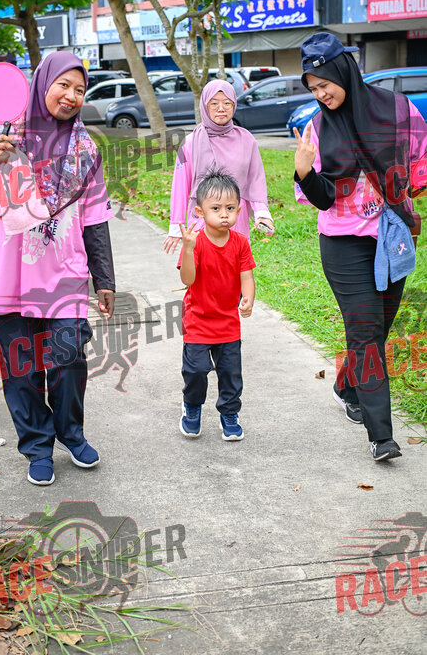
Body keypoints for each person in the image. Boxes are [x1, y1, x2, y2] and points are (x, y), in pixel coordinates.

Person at [0, 52, 116, 486]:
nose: (71, 96)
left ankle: (71, 432)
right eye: (63, 85)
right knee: (21, 367)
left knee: (69, 356)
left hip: (64, 272)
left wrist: (104, 279)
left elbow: (95, 217)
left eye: (79, 89)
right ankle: (37, 445)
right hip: (9, 274)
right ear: (42, 84)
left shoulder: (87, 150)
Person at [294, 32, 427, 462]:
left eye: (324, 84)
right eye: (312, 89)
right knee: (367, 336)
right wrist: (304, 173)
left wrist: (405, 185)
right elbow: (321, 198)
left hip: (392, 238)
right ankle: (382, 437)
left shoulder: (398, 110)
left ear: (342, 71)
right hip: (343, 244)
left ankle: (345, 387)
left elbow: (421, 160)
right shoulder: (317, 127)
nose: (320, 94)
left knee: (376, 330)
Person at [178, 171, 256, 441]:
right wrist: (188, 250)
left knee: (231, 375)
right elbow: (187, 280)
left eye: (230, 208)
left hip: (228, 324)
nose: (224, 214)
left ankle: (230, 414)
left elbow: (247, 275)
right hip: (198, 322)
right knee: (196, 371)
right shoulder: (196, 242)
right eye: (216, 208)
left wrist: (248, 298)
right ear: (200, 212)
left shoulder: (240, 243)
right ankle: (191, 407)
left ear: (239, 210)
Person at [163, 79, 274, 256]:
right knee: (204, 268)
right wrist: (176, 227)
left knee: (235, 267)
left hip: (235, 219)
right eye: (214, 103)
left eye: (227, 103)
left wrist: (262, 213)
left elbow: (255, 180)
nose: (221, 108)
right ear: (205, 106)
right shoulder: (189, 143)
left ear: (234, 105)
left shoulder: (246, 139)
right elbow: (180, 186)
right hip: (202, 219)